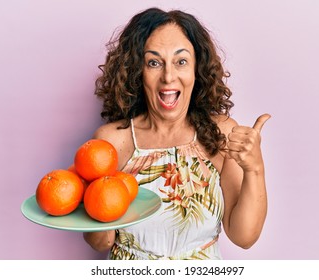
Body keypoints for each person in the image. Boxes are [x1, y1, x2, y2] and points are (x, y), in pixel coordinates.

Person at [83, 7, 270, 260]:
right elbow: (99, 242)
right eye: (154, 63)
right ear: (137, 72)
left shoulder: (222, 133)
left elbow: (244, 237)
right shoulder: (111, 141)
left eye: (181, 62)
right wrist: (97, 202)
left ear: (197, 70)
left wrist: (254, 168)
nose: (168, 77)